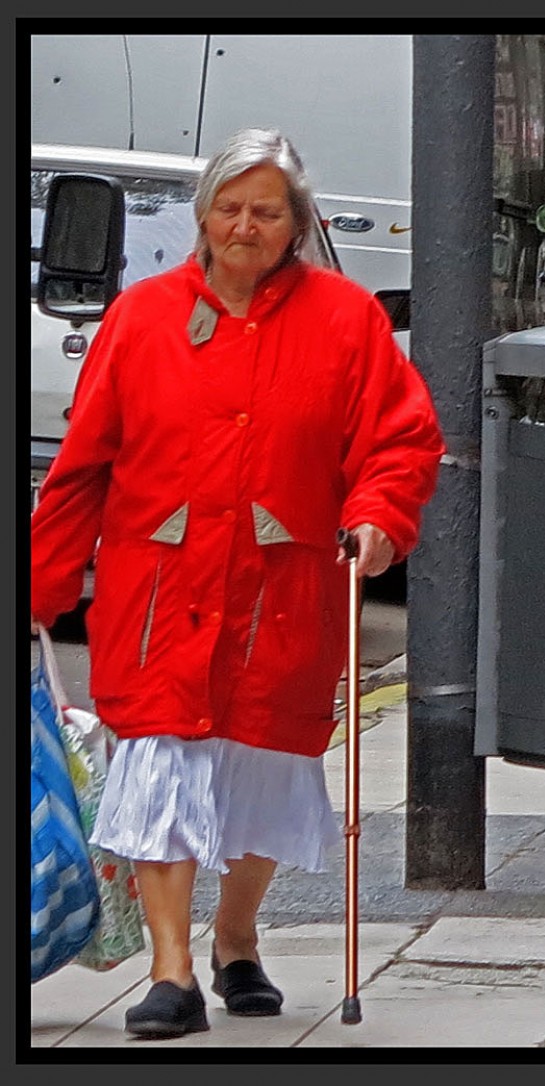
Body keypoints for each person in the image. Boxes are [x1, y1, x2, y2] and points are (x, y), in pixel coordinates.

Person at [29, 128, 446, 1039]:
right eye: (230, 208)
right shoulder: (141, 319)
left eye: (266, 211)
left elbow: (400, 439)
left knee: (262, 768)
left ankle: (237, 936)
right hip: (158, 590)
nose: (244, 226)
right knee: (164, 770)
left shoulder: (346, 320)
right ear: (204, 217)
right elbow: (83, 469)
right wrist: (40, 586)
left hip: (283, 587)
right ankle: (171, 973)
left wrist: (379, 514)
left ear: (296, 225)